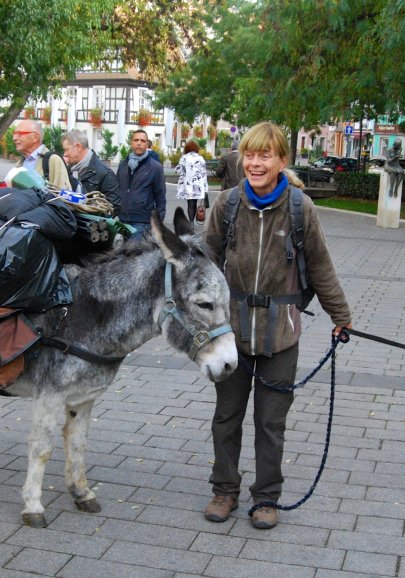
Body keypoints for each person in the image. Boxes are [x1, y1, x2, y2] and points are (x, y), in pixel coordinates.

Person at [203, 122, 353, 530]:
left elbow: (321, 267)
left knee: (271, 423)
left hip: (281, 334)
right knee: (226, 416)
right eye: (249, 155)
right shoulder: (227, 204)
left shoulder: (301, 208)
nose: (254, 163)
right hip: (229, 333)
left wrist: (341, 317)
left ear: (282, 160)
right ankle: (224, 490)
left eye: (264, 155)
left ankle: (266, 498)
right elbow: (203, 261)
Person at [116, 129, 166, 233]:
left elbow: (160, 197)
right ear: (131, 143)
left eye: (143, 141)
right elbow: (117, 189)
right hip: (122, 220)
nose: (139, 143)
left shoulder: (155, 167)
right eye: (136, 140)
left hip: (142, 222)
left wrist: (158, 223)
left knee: (135, 249)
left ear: (147, 144)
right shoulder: (123, 165)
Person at [61, 130, 121, 216]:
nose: (65, 154)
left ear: (78, 146)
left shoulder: (105, 173)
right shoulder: (70, 169)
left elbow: (114, 208)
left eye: (67, 150)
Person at [12, 119, 72, 192]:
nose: (14, 138)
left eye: (19, 134)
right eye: (14, 134)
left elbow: (62, 196)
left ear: (35, 137)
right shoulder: (20, 163)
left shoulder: (53, 160)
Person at [175, 140, 208, 225]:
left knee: (190, 203)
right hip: (198, 185)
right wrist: (205, 188)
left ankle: (191, 222)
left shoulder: (184, 158)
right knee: (194, 202)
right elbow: (204, 174)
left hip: (188, 185)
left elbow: (178, 171)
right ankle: (192, 221)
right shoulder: (201, 158)